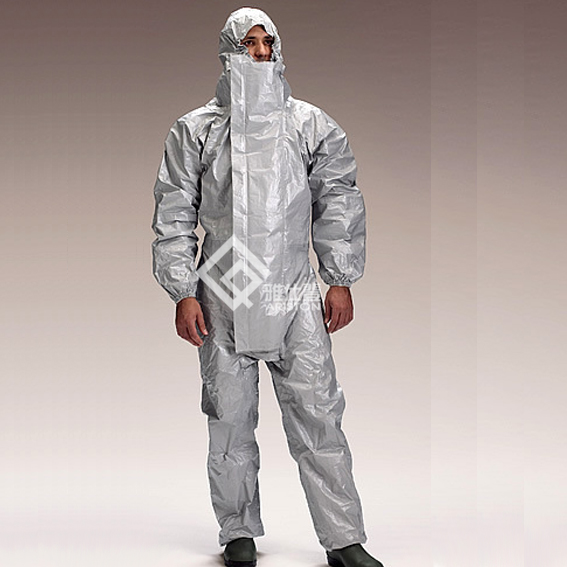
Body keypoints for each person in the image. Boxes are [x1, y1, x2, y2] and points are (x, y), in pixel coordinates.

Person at [151, 7, 384, 567]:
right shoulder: (197, 129)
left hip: (293, 288)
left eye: (267, 42)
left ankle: (344, 540)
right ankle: (237, 533)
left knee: (318, 412)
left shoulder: (309, 124)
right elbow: (174, 211)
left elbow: (338, 197)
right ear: (228, 52)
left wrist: (339, 278)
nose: (259, 52)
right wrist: (183, 291)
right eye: (248, 43)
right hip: (223, 290)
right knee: (229, 419)